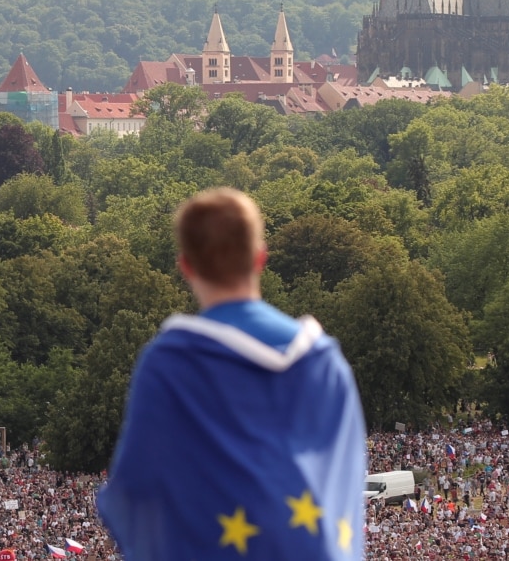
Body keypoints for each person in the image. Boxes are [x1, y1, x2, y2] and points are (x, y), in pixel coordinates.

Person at [98, 188, 366, 560]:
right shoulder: (325, 361)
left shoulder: (172, 363)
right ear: (261, 258)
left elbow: (137, 490)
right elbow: (346, 482)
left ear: (186, 266)